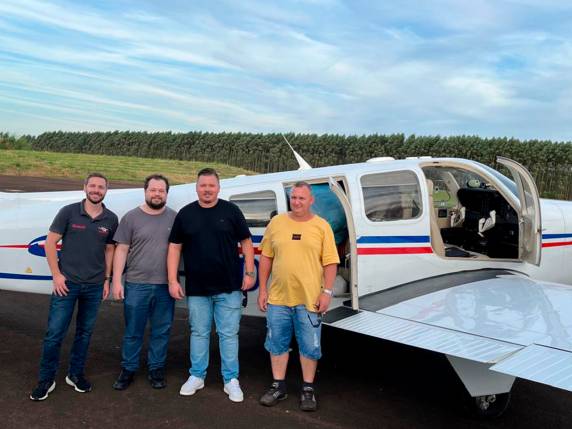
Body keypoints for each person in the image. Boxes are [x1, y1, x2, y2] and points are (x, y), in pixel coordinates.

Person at [167, 168, 255, 403]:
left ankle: (231, 380)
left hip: (229, 286)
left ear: (218, 187)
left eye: (211, 185)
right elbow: (174, 248)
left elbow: (246, 242)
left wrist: (249, 271)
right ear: (196, 187)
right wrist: (173, 280)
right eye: (203, 185)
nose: (207, 189)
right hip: (197, 288)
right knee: (199, 333)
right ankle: (197, 375)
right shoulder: (185, 214)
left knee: (228, 334)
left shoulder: (231, 211)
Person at [30, 173, 118, 401]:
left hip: (95, 285)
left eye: (101, 187)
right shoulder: (68, 212)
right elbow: (50, 243)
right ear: (85, 188)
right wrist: (56, 275)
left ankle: (75, 374)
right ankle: (46, 379)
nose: (96, 190)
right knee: (54, 334)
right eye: (93, 186)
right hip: (66, 285)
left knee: (84, 333)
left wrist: (106, 279)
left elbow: (110, 250)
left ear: (106, 190)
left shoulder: (111, 219)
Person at [257, 181, 339, 411]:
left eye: (302, 198)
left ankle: (308, 388)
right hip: (278, 299)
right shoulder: (277, 222)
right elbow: (266, 257)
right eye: (293, 197)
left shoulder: (322, 226)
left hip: (310, 299)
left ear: (311, 201)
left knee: (310, 346)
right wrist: (263, 289)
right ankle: (278, 386)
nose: (297, 202)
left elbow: (331, 262)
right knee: (276, 344)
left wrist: (327, 292)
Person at [111, 174, 177, 390]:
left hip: (164, 286)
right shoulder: (131, 218)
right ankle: (128, 369)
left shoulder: (175, 218)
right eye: (153, 190)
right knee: (133, 330)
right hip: (136, 284)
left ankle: (156, 368)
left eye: (161, 190)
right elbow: (121, 249)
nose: (157, 194)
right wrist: (116, 281)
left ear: (166, 193)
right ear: (145, 191)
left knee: (161, 330)